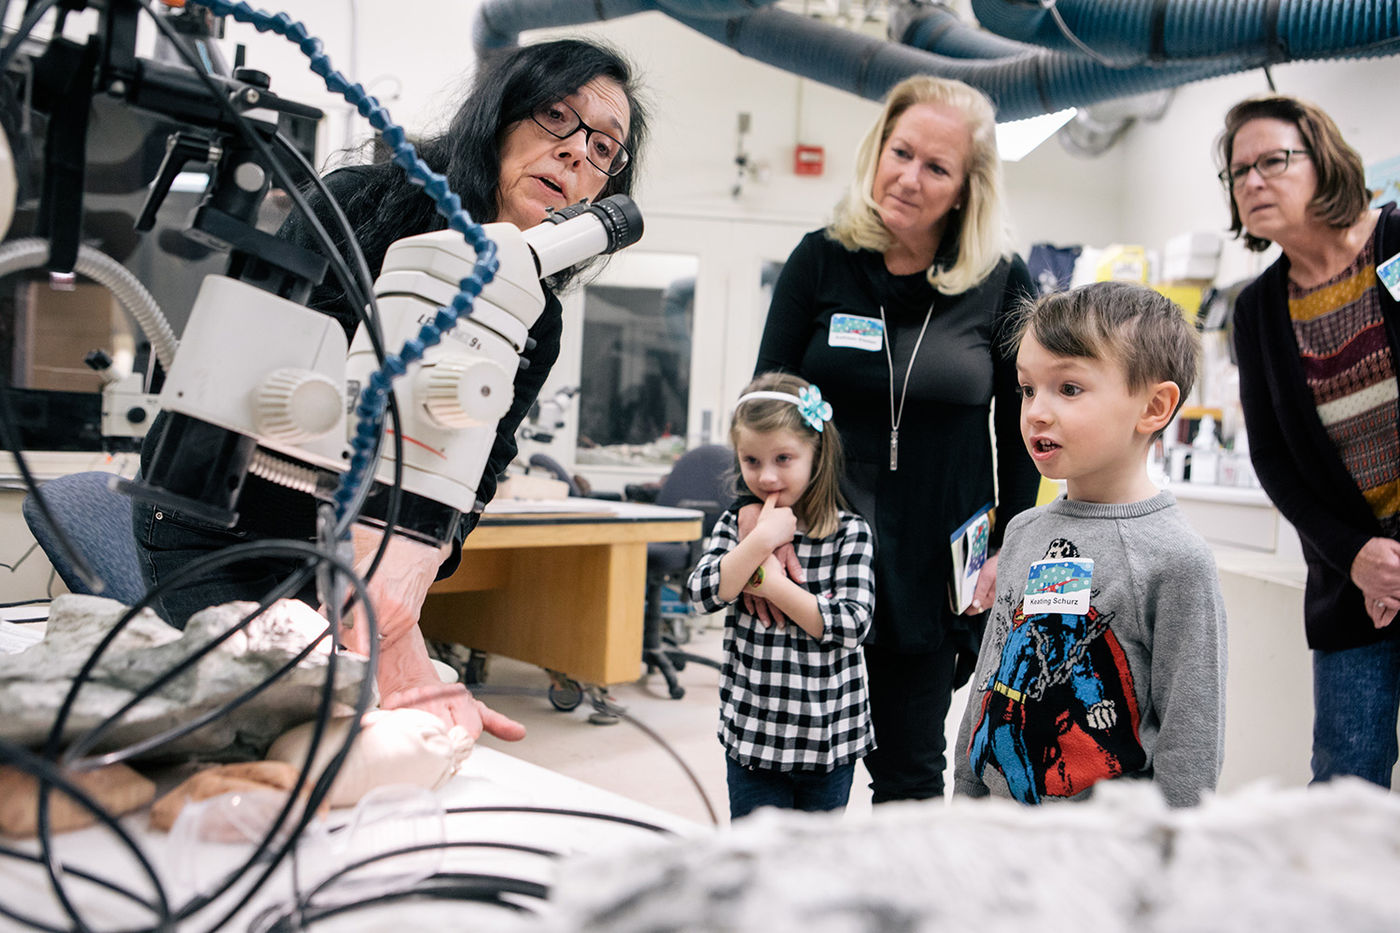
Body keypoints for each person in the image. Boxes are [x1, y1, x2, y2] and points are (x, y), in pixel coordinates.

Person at [132, 38, 649, 743]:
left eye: (603, 148)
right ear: (498, 117)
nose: (576, 153)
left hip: (348, 562)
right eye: (556, 116)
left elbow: (470, 480)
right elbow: (262, 403)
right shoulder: (361, 205)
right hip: (220, 530)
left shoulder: (536, 317)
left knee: (362, 749)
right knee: (258, 738)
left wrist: (407, 588)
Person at [752, 74, 1040, 804]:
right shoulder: (821, 259)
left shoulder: (1003, 282)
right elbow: (766, 404)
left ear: (967, 188)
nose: (909, 178)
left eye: (936, 167)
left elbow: (1024, 431)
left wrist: (1012, 545)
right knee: (797, 767)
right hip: (817, 552)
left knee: (910, 772)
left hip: (934, 571)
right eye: (900, 151)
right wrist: (763, 527)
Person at [953, 281, 1226, 808]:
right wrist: (965, 797)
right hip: (998, 838)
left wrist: (1175, 858)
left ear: (1153, 407)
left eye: (1069, 389)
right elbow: (990, 675)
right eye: (1028, 389)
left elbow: (1191, 738)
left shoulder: (1176, 559)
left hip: (1106, 853)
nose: (1035, 412)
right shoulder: (1025, 532)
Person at [1220, 95, 1400, 788]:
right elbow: (1272, 459)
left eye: (1272, 161)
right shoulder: (1258, 310)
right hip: (1351, 583)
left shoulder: (1395, 242)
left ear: (1322, 161)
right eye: (1239, 173)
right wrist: (1359, 558)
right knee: (1344, 784)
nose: (1253, 182)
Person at [687, 373, 876, 820]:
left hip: (828, 741)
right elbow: (700, 594)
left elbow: (851, 625)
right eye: (751, 460)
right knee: (756, 864)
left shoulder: (849, 532)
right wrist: (757, 545)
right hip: (754, 740)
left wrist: (770, 584)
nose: (767, 475)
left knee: (814, 866)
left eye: (784, 458)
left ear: (816, 454)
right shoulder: (737, 529)